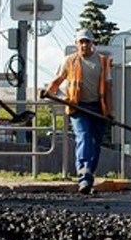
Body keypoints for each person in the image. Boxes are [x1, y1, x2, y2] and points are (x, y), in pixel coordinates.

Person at [42, 29, 113, 195]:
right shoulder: (70, 61)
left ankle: (89, 174)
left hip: (97, 108)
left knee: (95, 144)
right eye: (81, 42)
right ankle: (83, 178)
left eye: (87, 41)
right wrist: (48, 92)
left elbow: (108, 88)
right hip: (78, 107)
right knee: (84, 137)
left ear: (92, 43)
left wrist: (110, 111)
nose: (84, 45)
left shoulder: (102, 62)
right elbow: (58, 79)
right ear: (76, 44)